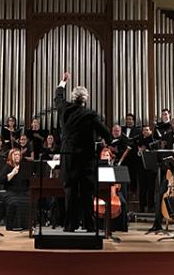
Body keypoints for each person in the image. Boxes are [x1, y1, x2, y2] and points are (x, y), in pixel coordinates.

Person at [55, 72, 111, 232]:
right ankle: (89, 224)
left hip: (68, 157)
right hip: (86, 158)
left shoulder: (64, 109)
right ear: (85, 100)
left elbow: (58, 96)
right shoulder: (90, 115)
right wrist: (106, 141)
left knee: (70, 190)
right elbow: (106, 132)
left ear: (73, 98)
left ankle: (70, 225)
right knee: (87, 191)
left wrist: (63, 82)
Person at [0, 148, 30, 231]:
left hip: (22, 191)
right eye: (15, 155)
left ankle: (26, 225)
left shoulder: (24, 166)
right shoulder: (7, 166)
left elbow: (28, 181)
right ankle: (13, 225)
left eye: (19, 155)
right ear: (11, 156)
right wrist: (12, 173)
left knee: (28, 201)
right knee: (14, 202)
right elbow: (1, 180)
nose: (17, 156)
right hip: (10, 192)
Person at [137, 124, 157, 213]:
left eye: (147, 130)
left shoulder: (154, 141)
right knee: (142, 188)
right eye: (144, 130)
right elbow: (135, 155)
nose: (145, 131)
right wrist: (139, 152)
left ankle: (150, 206)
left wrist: (147, 151)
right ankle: (142, 206)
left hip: (151, 168)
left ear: (150, 131)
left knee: (151, 188)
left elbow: (155, 153)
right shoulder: (139, 141)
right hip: (141, 168)